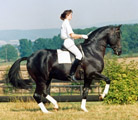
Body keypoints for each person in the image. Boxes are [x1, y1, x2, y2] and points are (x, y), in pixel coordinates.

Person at [60, 9, 88, 82]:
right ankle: (71, 74)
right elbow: (72, 35)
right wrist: (82, 36)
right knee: (79, 55)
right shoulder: (66, 23)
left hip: (69, 42)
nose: (71, 16)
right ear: (67, 15)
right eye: (70, 14)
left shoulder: (65, 23)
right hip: (68, 43)